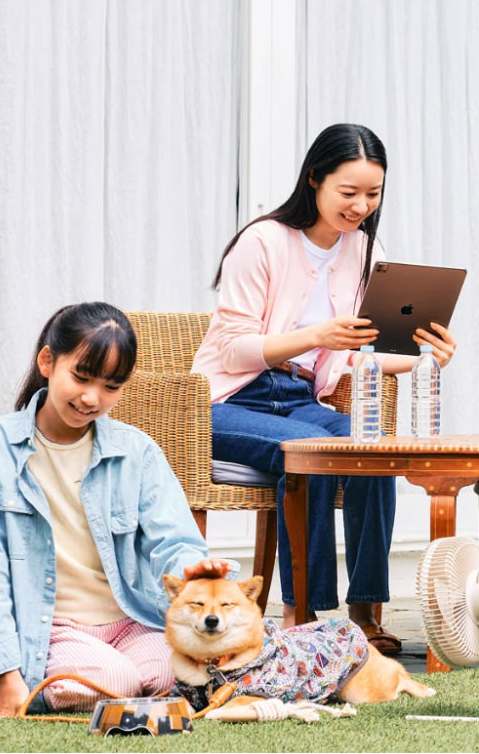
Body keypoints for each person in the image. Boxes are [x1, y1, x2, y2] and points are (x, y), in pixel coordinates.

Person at [192, 123, 456, 655]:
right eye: (349, 192)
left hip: (299, 399)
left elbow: (353, 355)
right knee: (314, 453)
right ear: (314, 179)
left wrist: (423, 355)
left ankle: (364, 611)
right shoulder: (262, 242)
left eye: (373, 194)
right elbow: (232, 350)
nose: (361, 205)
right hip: (228, 400)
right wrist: (315, 336)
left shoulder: (361, 249)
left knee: (372, 447)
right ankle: (303, 614)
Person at [0, 302, 233, 719]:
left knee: (172, 671)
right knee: (118, 681)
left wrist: (195, 569)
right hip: (53, 631)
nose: (91, 398)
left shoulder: (136, 449)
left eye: (110, 387)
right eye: (81, 377)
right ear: (47, 361)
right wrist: (8, 680)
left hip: (132, 621)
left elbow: (174, 538)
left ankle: (102, 684)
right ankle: (48, 682)